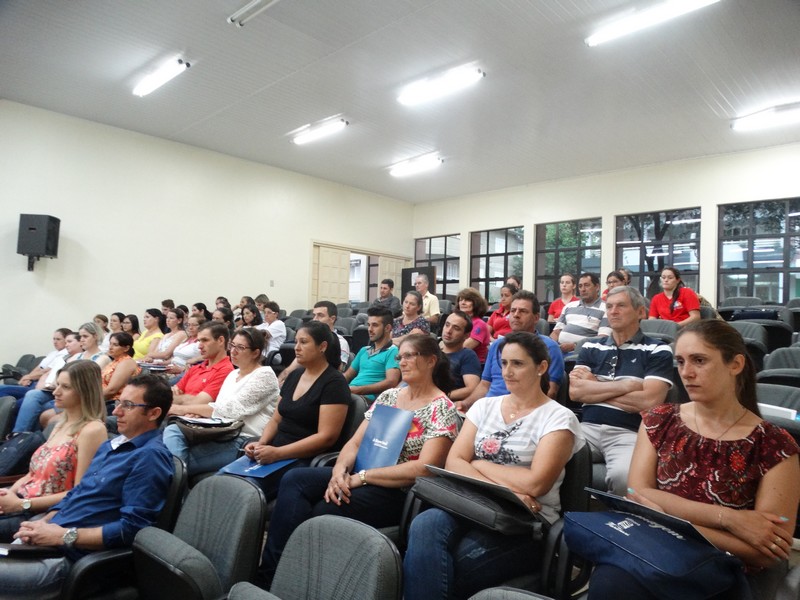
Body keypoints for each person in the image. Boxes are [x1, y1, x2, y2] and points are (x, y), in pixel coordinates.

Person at [587, 320, 800, 600]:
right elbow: (637, 492)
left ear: (735, 365)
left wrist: (664, 515)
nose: (686, 373)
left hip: (721, 569)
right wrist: (730, 520)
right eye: (680, 361)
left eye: (699, 360)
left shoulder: (774, 446)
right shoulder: (660, 420)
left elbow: (766, 552)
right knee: (612, 580)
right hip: (655, 549)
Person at [257, 333, 458, 589]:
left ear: (431, 361)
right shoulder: (389, 397)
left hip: (397, 490)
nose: (402, 362)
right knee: (296, 479)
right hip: (359, 476)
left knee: (323, 509)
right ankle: (271, 574)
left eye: (409, 356)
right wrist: (339, 473)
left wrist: (361, 478)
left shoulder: (442, 408)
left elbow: (424, 469)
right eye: (400, 357)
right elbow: (354, 443)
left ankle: (304, 580)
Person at [403, 332, 585, 600]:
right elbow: (454, 461)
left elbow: (536, 484)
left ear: (542, 367)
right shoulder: (484, 407)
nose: (508, 372)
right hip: (471, 503)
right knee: (425, 523)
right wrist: (508, 486)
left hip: (525, 521)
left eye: (518, 364)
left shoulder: (559, 418)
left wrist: (477, 463)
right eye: (503, 363)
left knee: (453, 570)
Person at [0, 375, 174, 600]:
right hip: (48, 539)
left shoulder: (150, 457)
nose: (116, 411)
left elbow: (131, 529)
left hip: (72, 559)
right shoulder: (112, 445)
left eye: (128, 406)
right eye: (119, 402)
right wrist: (44, 521)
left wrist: (63, 535)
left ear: (153, 413)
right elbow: (77, 493)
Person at [568, 286, 673, 495]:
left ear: (640, 312)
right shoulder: (590, 346)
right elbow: (576, 392)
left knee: (624, 478)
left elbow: (649, 402)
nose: (613, 311)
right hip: (586, 429)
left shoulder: (658, 349)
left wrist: (595, 385)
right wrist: (628, 385)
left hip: (628, 433)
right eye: (609, 306)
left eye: (621, 306)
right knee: (546, 455)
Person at [236, 321, 350, 500]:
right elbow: (276, 419)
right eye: (296, 341)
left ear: (322, 347)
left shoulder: (334, 383)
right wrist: (262, 443)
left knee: (244, 491)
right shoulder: (295, 376)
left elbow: (326, 437)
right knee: (226, 480)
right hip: (273, 453)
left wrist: (277, 454)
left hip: (300, 459)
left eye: (303, 342)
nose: (296, 348)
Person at [0, 361, 107, 542]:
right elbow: (33, 474)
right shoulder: (60, 424)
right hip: (21, 502)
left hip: (41, 515)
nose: (56, 392)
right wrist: (8, 493)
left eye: (65, 387)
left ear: (84, 391)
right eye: (58, 384)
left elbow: (79, 492)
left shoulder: (93, 430)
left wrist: (21, 504)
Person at [163, 328, 279, 476]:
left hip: (243, 438)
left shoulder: (265, 376)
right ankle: (175, 485)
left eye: (240, 348)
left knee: (169, 463)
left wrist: (180, 409)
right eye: (232, 345)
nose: (233, 351)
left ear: (255, 353)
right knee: (172, 431)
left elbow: (230, 410)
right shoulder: (233, 374)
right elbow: (219, 409)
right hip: (220, 431)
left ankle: (174, 485)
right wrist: (199, 414)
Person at [460, 291, 564, 411]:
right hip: (489, 410)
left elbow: (551, 391)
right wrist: (465, 404)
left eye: (523, 311)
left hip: (524, 411)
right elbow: (484, 385)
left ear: (536, 318)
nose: (516, 315)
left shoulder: (549, 347)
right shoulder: (497, 345)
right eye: (513, 311)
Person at [11, 333, 84, 434]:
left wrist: (54, 386)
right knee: (28, 398)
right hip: (47, 389)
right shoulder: (63, 357)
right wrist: (39, 386)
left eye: (70, 342)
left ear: (80, 343)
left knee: (32, 400)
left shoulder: (81, 360)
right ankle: (23, 437)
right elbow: (46, 373)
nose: (66, 344)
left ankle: (20, 435)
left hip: (59, 390)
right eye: (66, 342)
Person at [277, 301, 351, 383]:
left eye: (320, 315)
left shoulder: (341, 342)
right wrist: (279, 384)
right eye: (314, 315)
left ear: (332, 319)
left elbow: (336, 373)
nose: (315, 319)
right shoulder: (309, 339)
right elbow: (290, 370)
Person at [170, 322, 234, 412]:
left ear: (220, 340)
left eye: (205, 340)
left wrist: (177, 398)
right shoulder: (195, 368)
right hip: (177, 414)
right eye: (199, 341)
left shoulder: (226, 371)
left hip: (190, 420)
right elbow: (172, 394)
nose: (199, 346)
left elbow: (198, 403)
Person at [344, 306, 400, 401]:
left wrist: (358, 390)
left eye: (375, 325)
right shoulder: (364, 350)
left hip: (365, 399)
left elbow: (391, 382)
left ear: (387, 328)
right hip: (349, 393)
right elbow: (347, 375)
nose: (369, 329)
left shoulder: (393, 351)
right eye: (369, 325)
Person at [0, 328, 70, 402]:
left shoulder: (65, 354)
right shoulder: (52, 353)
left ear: (66, 340)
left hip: (41, 385)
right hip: (32, 382)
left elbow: (45, 372)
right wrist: (27, 379)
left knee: (3, 391)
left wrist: (27, 377)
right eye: (54, 339)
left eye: (58, 339)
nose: (55, 342)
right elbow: (38, 368)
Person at [551, 272, 611, 355]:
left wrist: (575, 346)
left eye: (586, 285)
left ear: (597, 287)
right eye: (580, 286)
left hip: (583, 353)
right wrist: (550, 347)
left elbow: (603, 338)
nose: (583, 289)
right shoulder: (569, 306)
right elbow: (556, 332)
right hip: (559, 350)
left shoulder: (606, 309)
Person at [439, 311, 482, 403]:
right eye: (447, 325)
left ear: (466, 335)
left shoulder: (468, 356)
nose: (448, 331)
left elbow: (472, 388)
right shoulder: (432, 350)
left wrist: (441, 396)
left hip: (447, 405)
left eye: (456, 328)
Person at [456, 287, 491, 363]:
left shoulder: (480, 324)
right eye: (461, 300)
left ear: (476, 303)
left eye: (467, 300)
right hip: (458, 361)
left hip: (473, 364)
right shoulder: (458, 321)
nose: (463, 302)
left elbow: (465, 347)